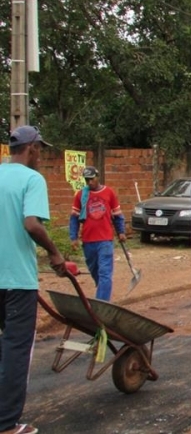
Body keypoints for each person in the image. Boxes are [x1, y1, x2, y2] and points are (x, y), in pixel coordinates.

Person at [0, 125, 67, 434]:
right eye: (41, 149)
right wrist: (54, 254)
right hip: (16, 281)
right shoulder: (32, 179)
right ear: (32, 148)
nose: (41, 155)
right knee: (15, 348)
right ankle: (7, 423)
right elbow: (32, 224)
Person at [69, 166, 127, 301]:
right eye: (87, 180)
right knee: (94, 271)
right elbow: (74, 218)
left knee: (105, 273)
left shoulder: (109, 193)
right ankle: (102, 293)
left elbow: (118, 215)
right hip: (88, 240)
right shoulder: (80, 195)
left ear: (98, 177)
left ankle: (101, 303)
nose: (89, 182)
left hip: (105, 240)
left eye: (92, 179)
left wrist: (121, 232)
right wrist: (73, 237)